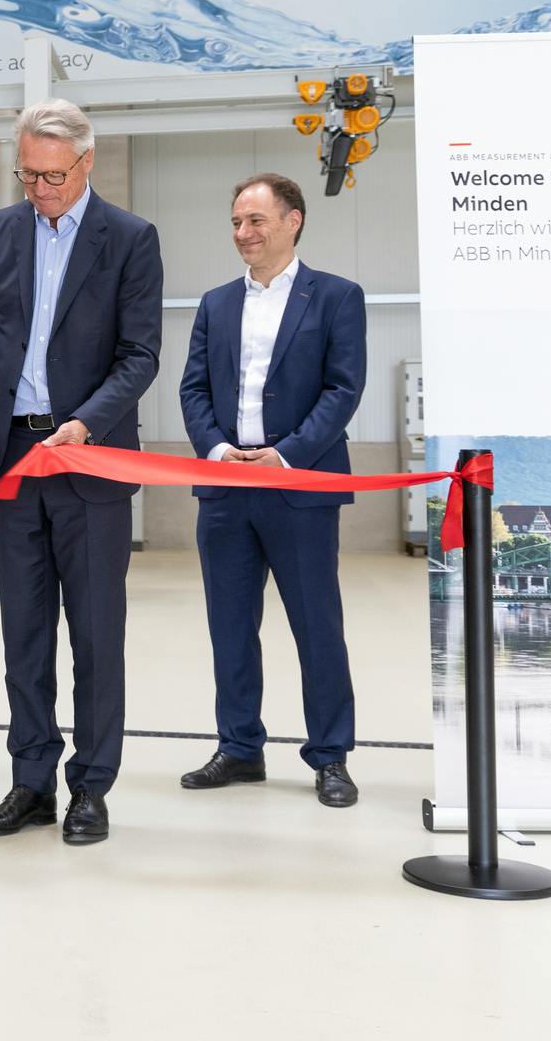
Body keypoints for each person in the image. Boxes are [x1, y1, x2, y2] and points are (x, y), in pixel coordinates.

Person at [0, 99, 163, 846]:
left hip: (88, 460)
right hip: (11, 461)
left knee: (95, 635)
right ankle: (30, 781)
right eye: (29, 175)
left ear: (86, 163)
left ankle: (90, 787)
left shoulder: (129, 240)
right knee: (23, 634)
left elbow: (140, 355)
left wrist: (86, 422)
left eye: (54, 176)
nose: (41, 190)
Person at [177, 172, 366, 808]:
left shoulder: (337, 297)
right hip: (227, 490)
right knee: (230, 627)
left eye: (255, 220)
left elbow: (343, 390)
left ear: (293, 221)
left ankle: (331, 756)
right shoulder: (215, 303)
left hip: (299, 490)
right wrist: (219, 450)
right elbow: (193, 389)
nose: (243, 233)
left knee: (317, 627)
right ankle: (239, 748)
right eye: (235, 222)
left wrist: (286, 455)